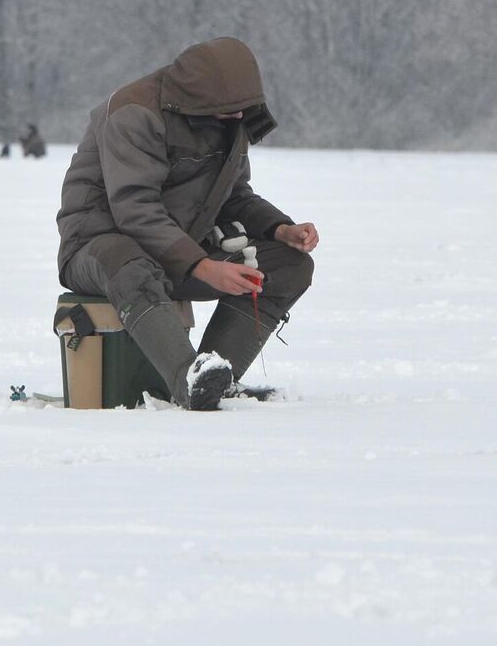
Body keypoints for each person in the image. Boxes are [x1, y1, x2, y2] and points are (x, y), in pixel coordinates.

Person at [57, 36, 319, 411]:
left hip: (177, 250)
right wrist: (203, 266)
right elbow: (134, 210)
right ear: (199, 100)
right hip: (97, 249)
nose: (239, 117)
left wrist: (280, 229)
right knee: (129, 260)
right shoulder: (134, 113)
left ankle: (215, 377)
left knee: (288, 265)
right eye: (229, 110)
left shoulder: (231, 119)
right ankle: (189, 379)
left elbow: (234, 196)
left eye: (243, 109)